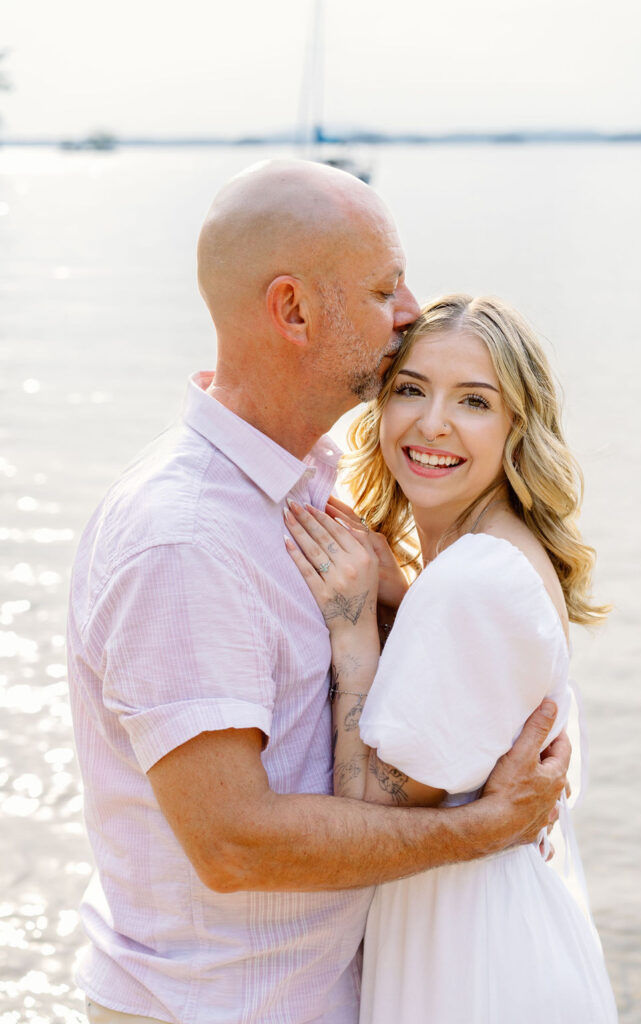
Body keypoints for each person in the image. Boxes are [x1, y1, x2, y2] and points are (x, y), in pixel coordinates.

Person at [66, 162, 570, 1024]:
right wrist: (482, 831)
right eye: (384, 288)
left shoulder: (300, 489)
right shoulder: (186, 539)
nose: (410, 310)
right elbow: (232, 842)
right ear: (293, 309)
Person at [285, 292, 618, 1023]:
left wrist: (353, 632)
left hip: (476, 970)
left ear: (516, 426)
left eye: (474, 401)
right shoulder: (487, 558)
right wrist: (405, 599)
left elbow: (367, 814)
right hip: (490, 933)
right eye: (411, 390)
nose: (432, 423)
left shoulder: (473, 579)